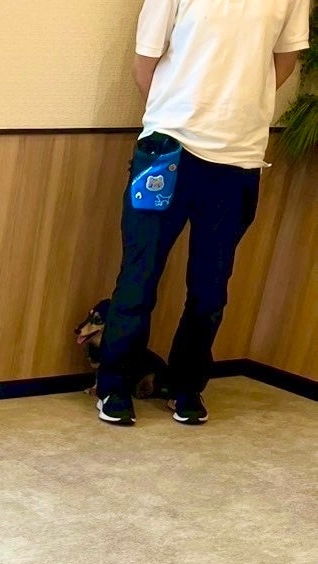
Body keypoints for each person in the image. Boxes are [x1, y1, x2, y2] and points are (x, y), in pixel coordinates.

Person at [96, 0, 310, 426]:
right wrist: (178, 111)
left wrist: (238, 111)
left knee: (210, 288)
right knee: (139, 276)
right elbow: (144, 64)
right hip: (168, 148)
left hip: (239, 158)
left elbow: (283, 61)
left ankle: (186, 386)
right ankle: (114, 385)